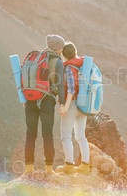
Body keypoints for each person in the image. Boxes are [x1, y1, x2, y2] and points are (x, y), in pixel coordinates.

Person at [23, 34, 65, 175]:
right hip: (47, 101)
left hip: (30, 99)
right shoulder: (57, 62)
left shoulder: (36, 58)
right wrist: (62, 104)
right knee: (47, 134)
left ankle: (28, 169)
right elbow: (60, 85)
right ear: (58, 48)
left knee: (30, 134)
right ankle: (49, 169)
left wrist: (25, 98)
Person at [56, 42, 91, 175]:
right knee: (81, 136)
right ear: (75, 52)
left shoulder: (69, 67)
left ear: (64, 55)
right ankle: (85, 166)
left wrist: (65, 106)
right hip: (83, 104)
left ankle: (69, 165)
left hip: (72, 104)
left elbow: (71, 89)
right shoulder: (83, 65)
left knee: (65, 136)